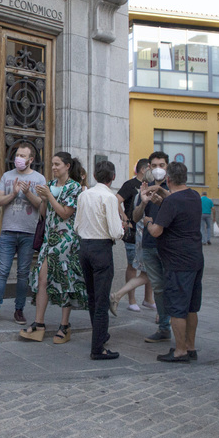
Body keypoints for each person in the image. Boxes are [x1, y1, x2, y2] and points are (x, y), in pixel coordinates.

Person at [20, 153, 86, 343]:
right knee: (42, 278)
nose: (54, 167)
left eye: (57, 164)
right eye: (52, 164)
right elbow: (43, 213)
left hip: (67, 241)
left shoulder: (74, 187)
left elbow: (66, 213)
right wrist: (43, 199)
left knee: (65, 281)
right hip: (49, 240)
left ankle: (64, 326)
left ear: (67, 166)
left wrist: (49, 196)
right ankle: (39, 323)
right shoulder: (50, 184)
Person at [146, 162, 204, 363]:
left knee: (177, 307)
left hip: (177, 261)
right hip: (195, 257)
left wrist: (148, 222)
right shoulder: (194, 196)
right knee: (191, 307)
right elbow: (178, 207)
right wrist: (163, 197)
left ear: (168, 179)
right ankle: (191, 346)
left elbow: (156, 231)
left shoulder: (172, 202)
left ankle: (180, 350)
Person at [0, 142, 46, 326]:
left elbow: (42, 207)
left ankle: (19, 310)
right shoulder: (7, 176)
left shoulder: (39, 179)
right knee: (2, 271)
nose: (18, 158)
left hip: (28, 232)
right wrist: (13, 194)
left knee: (22, 273)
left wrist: (27, 193)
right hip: (8, 231)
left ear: (31, 159)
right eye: (17, 155)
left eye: (22, 156)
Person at [73, 159, 124, 360]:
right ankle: (98, 348)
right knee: (102, 299)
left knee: (93, 295)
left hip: (84, 246)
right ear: (113, 178)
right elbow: (114, 230)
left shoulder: (84, 195)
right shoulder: (109, 197)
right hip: (101, 248)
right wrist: (121, 229)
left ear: (94, 176)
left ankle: (99, 334)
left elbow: (77, 225)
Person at [131, 152, 172, 343]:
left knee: (171, 286)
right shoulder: (144, 188)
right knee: (158, 287)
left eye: (162, 165)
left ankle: (176, 323)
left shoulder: (173, 188)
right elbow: (136, 216)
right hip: (148, 244)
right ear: (148, 167)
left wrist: (165, 198)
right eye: (154, 165)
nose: (158, 169)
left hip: (169, 246)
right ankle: (164, 327)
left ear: (167, 167)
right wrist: (143, 202)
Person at [116, 159, 154, 311]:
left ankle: (148, 299)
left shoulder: (152, 186)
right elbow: (116, 200)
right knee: (132, 266)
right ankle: (131, 300)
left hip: (149, 233)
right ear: (144, 169)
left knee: (150, 267)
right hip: (133, 233)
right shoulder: (130, 185)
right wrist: (125, 218)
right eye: (152, 168)